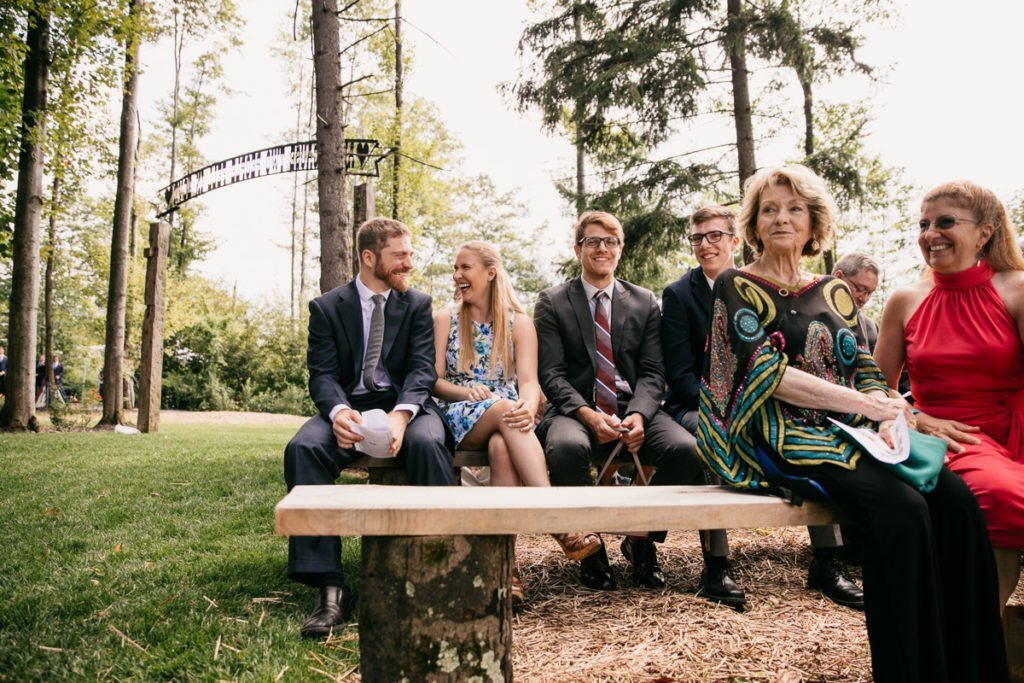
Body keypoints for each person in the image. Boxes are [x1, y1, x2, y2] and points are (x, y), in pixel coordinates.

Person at [697, 165, 1007, 683]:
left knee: (954, 500)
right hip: (775, 433)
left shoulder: (835, 291)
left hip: (845, 430)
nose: (781, 218)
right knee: (902, 509)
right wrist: (869, 408)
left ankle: (970, 667)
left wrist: (889, 413)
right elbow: (768, 376)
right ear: (752, 223)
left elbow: (864, 370)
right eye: (770, 209)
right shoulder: (736, 284)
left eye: (794, 208)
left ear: (813, 221)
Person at [663, 205, 862, 610]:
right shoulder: (679, 295)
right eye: (698, 238)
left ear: (735, 240)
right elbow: (681, 373)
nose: (706, 245)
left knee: (813, 432)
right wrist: (732, 402)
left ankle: (828, 561)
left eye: (715, 235)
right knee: (710, 434)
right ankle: (716, 563)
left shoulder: (770, 285)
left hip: (776, 399)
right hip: (703, 403)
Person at [283, 217, 456, 639]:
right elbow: (321, 374)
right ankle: (329, 587)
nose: (409, 264)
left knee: (429, 444)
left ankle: (438, 568)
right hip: (351, 407)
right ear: (368, 256)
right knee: (303, 449)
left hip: (405, 406)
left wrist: (401, 415)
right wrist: (339, 413)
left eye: (409, 255)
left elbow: (420, 369)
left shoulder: (417, 304)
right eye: (400, 256)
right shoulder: (326, 307)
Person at [535, 210, 715, 593]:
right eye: (593, 241)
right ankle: (590, 548)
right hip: (574, 408)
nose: (602, 248)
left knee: (687, 449)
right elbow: (551, 374)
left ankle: (641, 539)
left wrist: (637, 415)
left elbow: (653, 372)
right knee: (565, 447)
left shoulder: (643, 301)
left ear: (620, 249)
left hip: (633, 406)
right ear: (578, 248)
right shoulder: (552, 302)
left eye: (610, 241)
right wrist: (586, 415)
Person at [874, 180, 1024, 614]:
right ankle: (975, 645)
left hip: (1015, 427)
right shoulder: (905, 299)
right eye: (923, 224)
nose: (930, 234)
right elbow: (876, 389)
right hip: (950, 436)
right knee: (1000, 494)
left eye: (945, 223)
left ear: (985, 232)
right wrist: (916, 419)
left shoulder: (1016, 288)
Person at [432, 240, 601, 607]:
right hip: (463, 411)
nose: (457, 275)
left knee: (501, 449)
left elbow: (529, 381)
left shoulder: (519, 322)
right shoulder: (446, 317)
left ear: (490, 273)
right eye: (456, 268)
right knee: (505, 412)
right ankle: (555, 516)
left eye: (465, 268)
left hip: (508, 417)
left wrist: (528, 404)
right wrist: (467, 395)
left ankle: (506, 570)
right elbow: (435, 380)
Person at [832, 252, 880, 352]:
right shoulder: (811, 313)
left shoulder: (871, 329)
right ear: (838, 277)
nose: (864, 299)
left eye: (869, 293)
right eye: (860, 289)